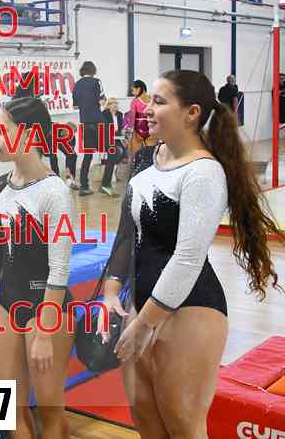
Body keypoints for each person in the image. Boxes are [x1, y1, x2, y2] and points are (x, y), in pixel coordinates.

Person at [101, 70, 283, 438]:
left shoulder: (203, 173)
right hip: (142, 302)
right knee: (146, 421)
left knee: (183, 425)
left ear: (191, 113)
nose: (147, 109)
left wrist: (144, 323)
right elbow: (126, 234)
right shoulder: (145, 159)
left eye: (159, 101)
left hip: (190, 307)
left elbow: (187, 258)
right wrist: (111, 290)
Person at [0, 97, 75, 439]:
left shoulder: (55, 193)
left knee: (50, 411)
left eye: (1, 131)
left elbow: (59, 269)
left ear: (28, 134)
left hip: (47, 310)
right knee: (11, 410)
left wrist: (44, 332)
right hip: (8, 303)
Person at [71, 61, 105, 195]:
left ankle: (84, 186)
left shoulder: (77, 84)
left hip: (85, 122)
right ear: (93, 70)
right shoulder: (97, 82)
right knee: (112, 150)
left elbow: (75, 106)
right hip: (98, 121)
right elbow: (102, 101)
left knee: (88, 154)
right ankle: (106, 184)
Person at [98, 98, 126, 197]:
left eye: (116, 103)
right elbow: (102, 129)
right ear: (108, 105)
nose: (115, 105)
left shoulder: (120, 114)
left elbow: (121, 128)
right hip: (105, 139)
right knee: (115, 153)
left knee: (123, 153)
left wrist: (122, 131)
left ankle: (109, 169)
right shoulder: (104, 114)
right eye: (112, 103)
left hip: (117, 139)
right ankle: (105, 184)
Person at [123, 79, 156, 155]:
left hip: (139, 129)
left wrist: (128, 129)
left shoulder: (135, 101)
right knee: (150, 152)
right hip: (150, 128)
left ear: (139, 89)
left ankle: (137, 162)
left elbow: (132, 118)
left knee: (135, 153)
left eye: (133, 90)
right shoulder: (152, 100)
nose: (132, 93)